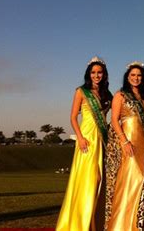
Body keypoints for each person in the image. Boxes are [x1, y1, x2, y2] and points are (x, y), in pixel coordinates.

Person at [56, 56, 112, 231]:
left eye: (100, 72)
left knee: (100, 180)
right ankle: (81, 222)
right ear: (89, 74)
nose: (97, 75)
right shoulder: (81, 91)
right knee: (88, 179)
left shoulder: (107, 94)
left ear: (104, 74)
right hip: (87, 139)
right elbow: (73, 117)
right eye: (93, 72)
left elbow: (106, 118)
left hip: (102, 140)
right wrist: (79, 138)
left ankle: (95, 222)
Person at [104, 61, 144, 231]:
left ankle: (140, 224)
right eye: (133, 75)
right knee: (131, 181)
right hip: (128, 142)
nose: (136, 78)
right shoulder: (121, 95)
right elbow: (114, 120)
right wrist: (124, 140)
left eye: (139, 75)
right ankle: (123, 225)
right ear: (127, 77)